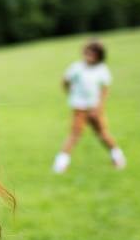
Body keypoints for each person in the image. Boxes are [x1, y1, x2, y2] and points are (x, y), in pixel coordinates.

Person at [52, 40, 126, 173]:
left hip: (95, 108)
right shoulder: (77, 67)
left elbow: (104, 89)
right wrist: (72, 95)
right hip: (79, 108)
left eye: (93, 53)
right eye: (87, 52)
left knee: (103, 133)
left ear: (99, 55)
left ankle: (118, 157)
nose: (89, 55)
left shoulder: (101, 69)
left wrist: (98, 107)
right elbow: (65, 81)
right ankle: (60, 165)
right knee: (75, 134)